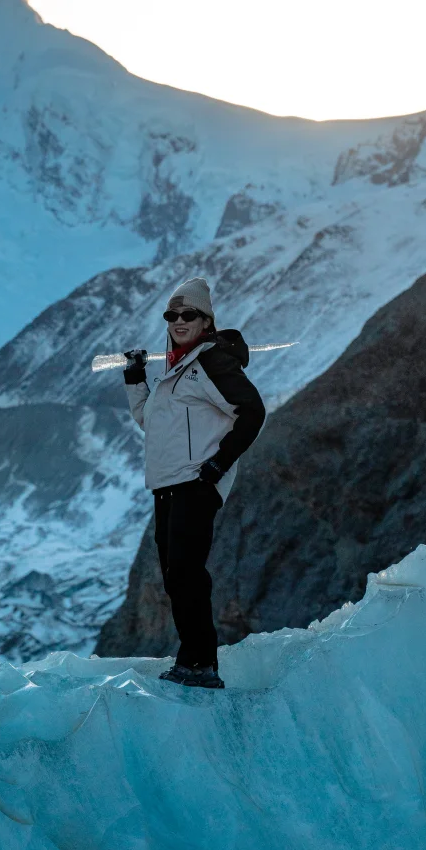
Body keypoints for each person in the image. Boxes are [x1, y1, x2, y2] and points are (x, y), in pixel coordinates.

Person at [123, 277, 266, 689]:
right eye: (172, 315)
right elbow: (150, 422)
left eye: (189, 314)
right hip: (167, 485)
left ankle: (201, 664)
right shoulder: (178, 368)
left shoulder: (211, 361)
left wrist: (219, 464)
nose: (179, 321)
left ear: (206, 319)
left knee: (186, 571)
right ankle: (192, 660)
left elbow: (252, 411)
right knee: (174, 574)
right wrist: (136, 378)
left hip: (196, 483)